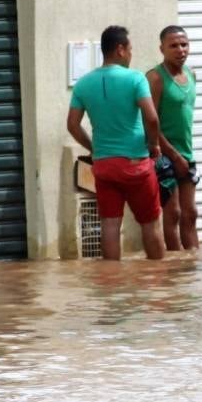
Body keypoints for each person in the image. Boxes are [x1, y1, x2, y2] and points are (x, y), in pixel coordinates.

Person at [67, 26, 165, 261]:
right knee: (150, 225)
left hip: (103, 165)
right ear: (120, 50)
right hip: (136, 164)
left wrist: (93, 148)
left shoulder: (83, 84)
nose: (131, 54)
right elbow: (151, 117)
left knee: (110, 225)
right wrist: (154, 145)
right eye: (130, 49)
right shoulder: (135, 79)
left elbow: (72, 124)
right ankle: (161, 282)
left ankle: (111, 285)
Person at [147, 26, 200, 251]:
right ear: (162, 49)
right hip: (164, 154)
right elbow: (149, 122)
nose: (180, 50)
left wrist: (182, 156)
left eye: (184, 44)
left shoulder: (191, 74)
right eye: (174, 45)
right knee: (173, 213)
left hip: (186, 153)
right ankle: (174, 270)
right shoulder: (156, 78)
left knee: (191, 213)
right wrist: (173, 155)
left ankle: (193, 265)